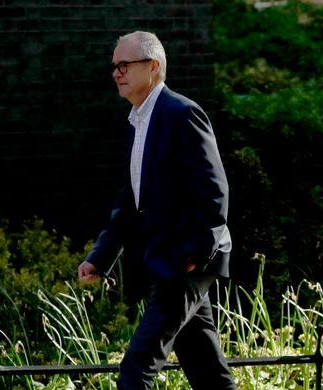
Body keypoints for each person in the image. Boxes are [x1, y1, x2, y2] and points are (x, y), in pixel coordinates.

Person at [77, 31, 237, 390]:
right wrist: (100, 258)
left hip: (185, 263)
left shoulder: (182, 113)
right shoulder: (137, 123)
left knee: (137, 367)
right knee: (206, 368)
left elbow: (214, 191)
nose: (116, 72)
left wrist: (193, 255)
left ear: (153, 67)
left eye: (124, 65)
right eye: (114, 66)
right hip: (168, 260)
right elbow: (131, 203)